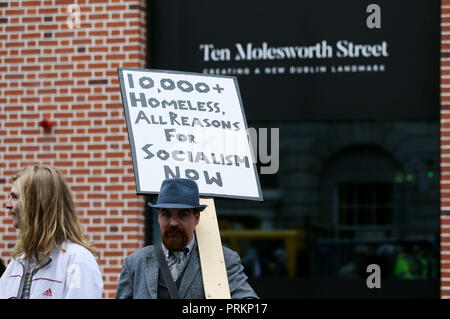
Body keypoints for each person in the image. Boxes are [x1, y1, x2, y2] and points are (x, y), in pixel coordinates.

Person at [116, 178, 258, 299]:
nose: (173, 223)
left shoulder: (223, 260)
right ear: (158, 217)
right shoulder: (135, 263)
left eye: (182, 214)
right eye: (166, 214)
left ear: (196, 218)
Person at [0, 165, 103, 299]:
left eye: (14, 197)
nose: (8, 205)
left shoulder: (77, 261)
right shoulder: (18, 262)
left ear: (36, 203)